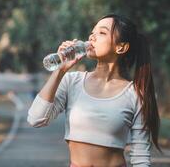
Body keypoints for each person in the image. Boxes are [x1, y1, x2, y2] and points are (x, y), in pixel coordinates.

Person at [27, 14, 161, 167]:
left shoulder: (136, 95)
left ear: (121, 47)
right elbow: (36, 119)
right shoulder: (72, 81)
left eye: (102, 33)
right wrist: (60, 70)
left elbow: (141, 158)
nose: (92, 37)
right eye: (92, 32)